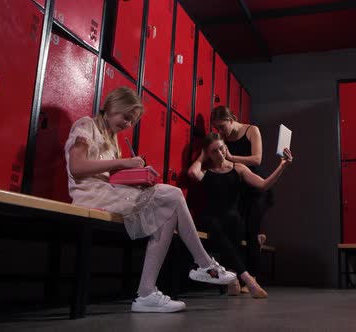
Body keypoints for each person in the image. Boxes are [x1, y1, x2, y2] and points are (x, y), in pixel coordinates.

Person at [64, 87, 236, 313]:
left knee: (167, 214)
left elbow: (111, 176)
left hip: (110, 193)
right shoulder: (86, 125)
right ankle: (204, 263)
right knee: (173, 195)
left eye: (131, 121)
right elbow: (77, 168)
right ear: (112, 107)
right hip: (89, 194)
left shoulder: (112, 139)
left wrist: (136, 179)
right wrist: (122, 163)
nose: (127, 124)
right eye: (126, 117)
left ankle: (146, 293)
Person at [188, 132, 293, 299]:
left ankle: (232, 276)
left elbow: (264, 185)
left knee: (235, 222)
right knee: (216, 224)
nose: (220, 154)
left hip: (231, 219)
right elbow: (193, 173)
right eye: (214, 151)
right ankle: (248, 279)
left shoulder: (238, 168)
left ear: (226, 147)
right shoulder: (206, 171)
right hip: (209, 218)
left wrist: (283, 166)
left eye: (221, 149)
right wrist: (201, 156)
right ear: (208, 154)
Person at [210, 106, 272, 293]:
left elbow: (257, 159)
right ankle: (235, 276)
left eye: (222, 126)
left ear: (230, 120)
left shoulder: (251, 130)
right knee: (236, 231)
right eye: (216, 128)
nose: (220, 132)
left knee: (251, 232)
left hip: (256, 188)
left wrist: (231, 158)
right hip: (238, 190)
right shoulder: (222, 138)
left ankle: (251, 277)